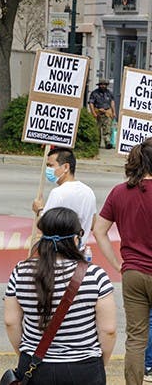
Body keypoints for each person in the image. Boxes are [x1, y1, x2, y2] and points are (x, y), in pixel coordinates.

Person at [5, 207, 116, 383]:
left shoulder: (20, 271)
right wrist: (100, 364)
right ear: (74, 238)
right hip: (84, 367)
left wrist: (28, 354)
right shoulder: (96, 275)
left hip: (35, 367)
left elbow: (11, 322)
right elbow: (108, 330)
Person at [94, 137, 152, 384]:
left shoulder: (119, 192)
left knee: (136, 338)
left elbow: (99, 231)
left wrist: (118, 264)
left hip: (133, 273)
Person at [31, 147, 96, 249]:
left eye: (51, 166)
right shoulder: (89, 192)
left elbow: (46, 225)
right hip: (80, 251)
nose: (48, 170)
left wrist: (39, 210)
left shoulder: (58, 193)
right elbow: (92, 224)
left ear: (66, 167)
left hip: (60, 253)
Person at [88, 79, 116, 149]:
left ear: (106, 85)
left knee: (108, 129)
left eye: (104, 84)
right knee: (97, 129)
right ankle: (97, 143)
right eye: (101, 84)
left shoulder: (109, 93)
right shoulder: (94, 93)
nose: (103, 86)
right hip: (98, 113)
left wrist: (114, 112)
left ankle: (108, 143)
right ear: (99, 85)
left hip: (107, 112)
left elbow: (112, 102)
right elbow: (91, 103)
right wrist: (93, 113)